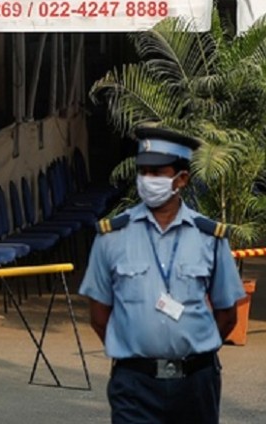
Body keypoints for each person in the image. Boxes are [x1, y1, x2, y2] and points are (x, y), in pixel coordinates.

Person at [79, 127, 246, 424]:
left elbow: (228, 314)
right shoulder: (112, 236)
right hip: (134, 384)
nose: (147, 180)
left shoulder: (209, 236)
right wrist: (136, 350)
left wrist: (192, 351)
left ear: (181, 179)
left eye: (157, 172)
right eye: (143, 171)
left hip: (196, 383)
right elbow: (99, 316)